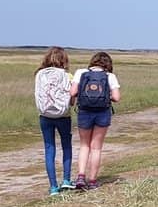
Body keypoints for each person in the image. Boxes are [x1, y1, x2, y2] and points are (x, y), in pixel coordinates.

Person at [71, 52, 121, 190]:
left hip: (84, 111)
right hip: (102, 113)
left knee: (84, 145)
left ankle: (81, 176)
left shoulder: (81, 72)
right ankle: (92, 180)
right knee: (96, 147)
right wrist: (104, 96)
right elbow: (117, 97)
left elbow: (73, 92)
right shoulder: (110, 76)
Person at [34, 47, 75, 196]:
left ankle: (53, 187)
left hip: (45, 116)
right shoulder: (67, 75)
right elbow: (71, 101)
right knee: (66, 147)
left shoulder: (39, 74)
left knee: (49, 149)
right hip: (63, 116)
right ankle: (66, 180)